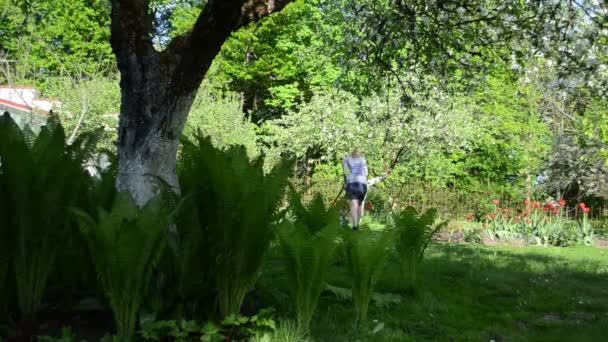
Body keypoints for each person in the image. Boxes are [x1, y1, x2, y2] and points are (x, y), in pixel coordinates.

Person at [342, 148, 368, 230]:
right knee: (359, 205)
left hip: (352, 183)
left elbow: (346, 172)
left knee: (354, 205)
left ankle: (355, 226)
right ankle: (358, 223)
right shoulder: (363, 160)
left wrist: (346, 183)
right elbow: (366, 173)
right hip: (362, 184)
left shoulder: (347, 159)